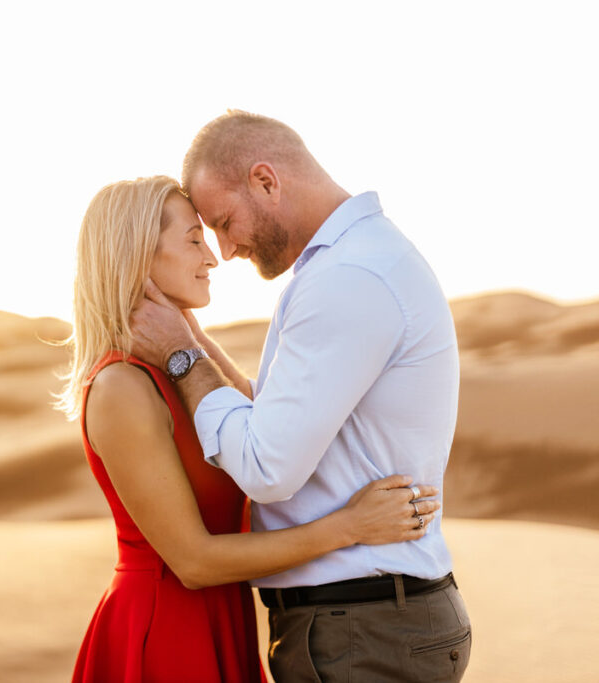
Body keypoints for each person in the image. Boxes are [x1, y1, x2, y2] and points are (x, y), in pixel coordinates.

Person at [56, 175, 441, 683]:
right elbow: (192, 561)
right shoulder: (121, 388)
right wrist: (351, 527)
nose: (212, 257)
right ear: (137, 255)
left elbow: (261, 428)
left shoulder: (178, 373)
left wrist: (188, 338)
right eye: (193, 239)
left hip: (223, 618)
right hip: (166, 633)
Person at [129, 111, 472, 682]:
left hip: (363, 630)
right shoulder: (354, 262)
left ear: (266, 182)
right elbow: (273, 417)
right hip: (370, 621)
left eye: (223, 221)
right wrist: (189, 337)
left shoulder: (350, 276)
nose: (225, 249)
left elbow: (266, 467)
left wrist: (182, 358)